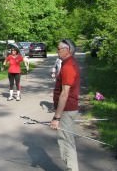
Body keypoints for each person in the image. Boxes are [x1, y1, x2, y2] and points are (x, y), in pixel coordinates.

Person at [50, 39, 80, 171]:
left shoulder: (68, 66)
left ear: (67, 50)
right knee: (67, 141)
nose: (57, 51)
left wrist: (56, 118)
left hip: (67, 110)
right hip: (67, 109)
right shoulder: (67, 63)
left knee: (66, 143)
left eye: (59, 49)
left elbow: (64, 94)